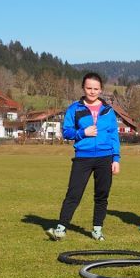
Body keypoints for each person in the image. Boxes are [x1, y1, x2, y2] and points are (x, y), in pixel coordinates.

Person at [46, 72, 120, 241]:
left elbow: (114, 136)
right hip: (83, 157)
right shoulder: (74, 109)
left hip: (105, 157)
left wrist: (116, 159)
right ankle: (61, 228)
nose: (92, 92)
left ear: (101, 90)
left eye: (95, 88)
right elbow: (66, 132)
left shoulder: (108, 111)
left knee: (102, 195)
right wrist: (83, 132)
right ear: (83, 88)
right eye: (89, 88)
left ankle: (97, 229)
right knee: (74, 193)